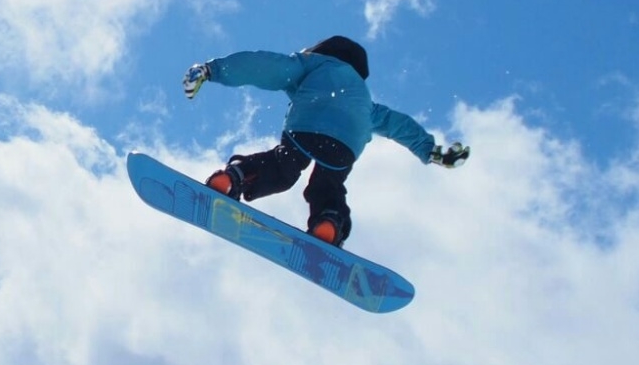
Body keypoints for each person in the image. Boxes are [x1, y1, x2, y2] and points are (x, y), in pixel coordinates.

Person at [182, 35, 468, 247]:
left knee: (283, 166)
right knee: (328, 185)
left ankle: (234, 179)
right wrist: (432, 151)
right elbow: (399, 125)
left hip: (307, 124)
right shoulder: (365, 101)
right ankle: (328, 222)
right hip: (347, 141)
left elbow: (263, 66)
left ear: (319, 51)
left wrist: (212, 71)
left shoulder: (311, 64)